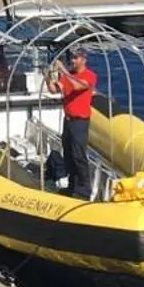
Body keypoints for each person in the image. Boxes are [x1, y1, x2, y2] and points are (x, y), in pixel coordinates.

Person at [48, 47, 97, 198]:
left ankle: (84, 189)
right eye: (72, 58)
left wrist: (64, 71)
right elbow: (54, 90)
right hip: (68, 120)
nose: (73, 61)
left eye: (76, 58)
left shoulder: (89, 76)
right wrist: (48, 76)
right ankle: (72, 185)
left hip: (80, 121)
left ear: (83, 59)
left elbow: (77, 86)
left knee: (78, 154)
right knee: (68, 154)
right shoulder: (69, 76)